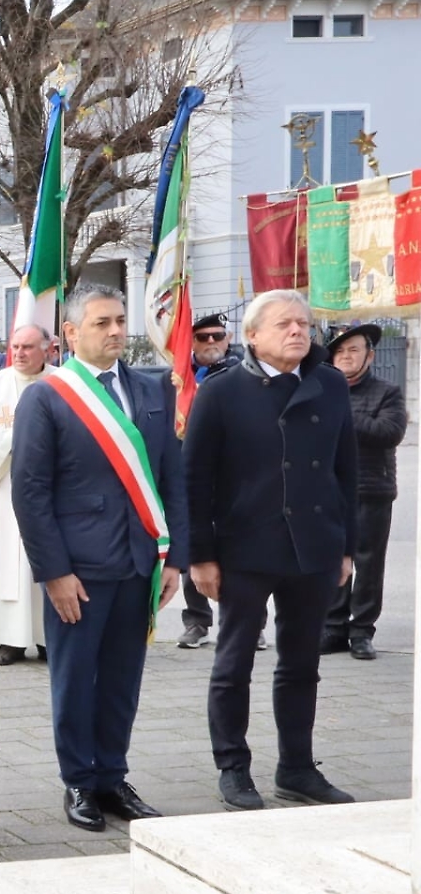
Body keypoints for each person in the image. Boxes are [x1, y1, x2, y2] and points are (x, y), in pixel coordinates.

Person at [12, 284, 187, 831]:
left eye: (119, 321)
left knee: (121, 681)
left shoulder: (152, 388)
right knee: (74, 679)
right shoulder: (47, 396)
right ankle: (79, 782)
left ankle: (113, 777)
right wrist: (54, 572)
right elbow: (30, 491)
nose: (115, 331)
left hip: (140, 564)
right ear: (70, 333)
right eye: (102, 323)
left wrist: (174, 559)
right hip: (80, 572)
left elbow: (171, 479)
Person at [187, 289, 358, 811]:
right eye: (285, 323)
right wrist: (201, 555)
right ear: (253, 335)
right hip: (245, 547)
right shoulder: (221, 391)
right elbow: (195, 480)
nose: (298, 331)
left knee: (301, 663)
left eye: (304, 324)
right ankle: (233, 768)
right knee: (234, 661)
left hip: (313, 547)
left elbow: (345, 469)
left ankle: (298, 768)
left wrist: (346, 546)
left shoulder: (329, 385)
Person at [0, 322, 54, 665]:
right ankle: (10, 641)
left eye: (28, 347)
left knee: (43, 560)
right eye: (15, 346)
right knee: (7, 564)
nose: (19, 353)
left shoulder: (61, 384)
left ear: (47, 349)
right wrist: (18, 438)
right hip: (4, 487)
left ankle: (50, 639)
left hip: (50, 490)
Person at [323, 322, 404, 660]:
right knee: (333, 560)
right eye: (340, 351)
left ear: (369, 356)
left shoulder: (387, 392)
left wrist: (343, 413)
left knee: (368, 562)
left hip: (372, 488)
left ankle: (362, 630)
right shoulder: (321, 390)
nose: (346, 356)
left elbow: (389, 431)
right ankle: (333, 627)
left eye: (353, 349)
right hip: (331, 491)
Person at [178, 310, 245, 648]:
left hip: (233, 474)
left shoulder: (242, 374)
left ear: (228, 338)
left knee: (241, 550)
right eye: (202, 337)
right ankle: (197, 620)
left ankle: (252, 623)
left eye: (217, 336)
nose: (210, 343)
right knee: (195, 545)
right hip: (191, 473)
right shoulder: (179, 377)